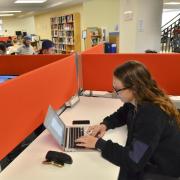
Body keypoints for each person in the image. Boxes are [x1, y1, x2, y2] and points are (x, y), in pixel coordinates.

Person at [76, 61, 180, 180]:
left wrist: (98, 143)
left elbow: (134, 159)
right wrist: (105, 125)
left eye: (118, 90)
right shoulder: (138, 99)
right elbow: (122, 114)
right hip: (150, 158)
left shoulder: (151, 114)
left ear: (134, 88)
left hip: (161, 170)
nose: (115, 93)